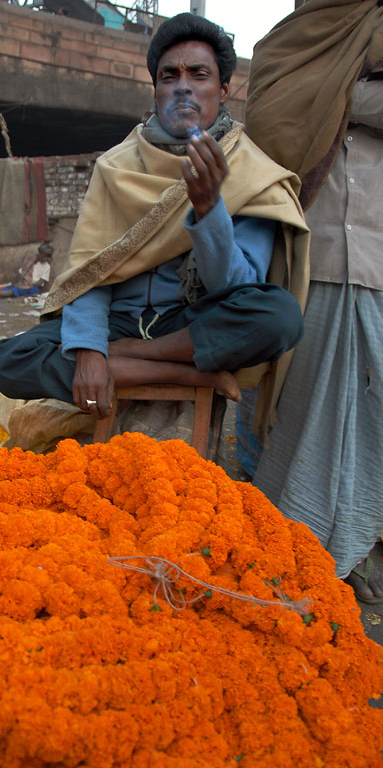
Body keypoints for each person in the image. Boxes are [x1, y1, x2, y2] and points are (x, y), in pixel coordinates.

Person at [0, 13, 308, 444]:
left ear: (224, 90)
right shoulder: (116, 166)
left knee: (278, 317)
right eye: (169, 75)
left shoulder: (251, 172)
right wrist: (88, 349)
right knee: (9, 360)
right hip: (121, 322)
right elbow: (90, 270)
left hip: (188, 324)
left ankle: (130, 359)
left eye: (199, 74)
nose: (183, 86)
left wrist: (210, 208)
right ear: (156, 90)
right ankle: (199, 374)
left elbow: (237, 286)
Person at [245, 0, 383, 602]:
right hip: (310, 259)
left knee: (374, 418)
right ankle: (304, 541)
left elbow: (309, 105)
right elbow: (272, 117)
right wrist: (356, 95)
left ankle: (365, 539)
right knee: (300, 411)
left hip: (380, 259)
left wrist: (336, 96)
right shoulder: (291, 40)